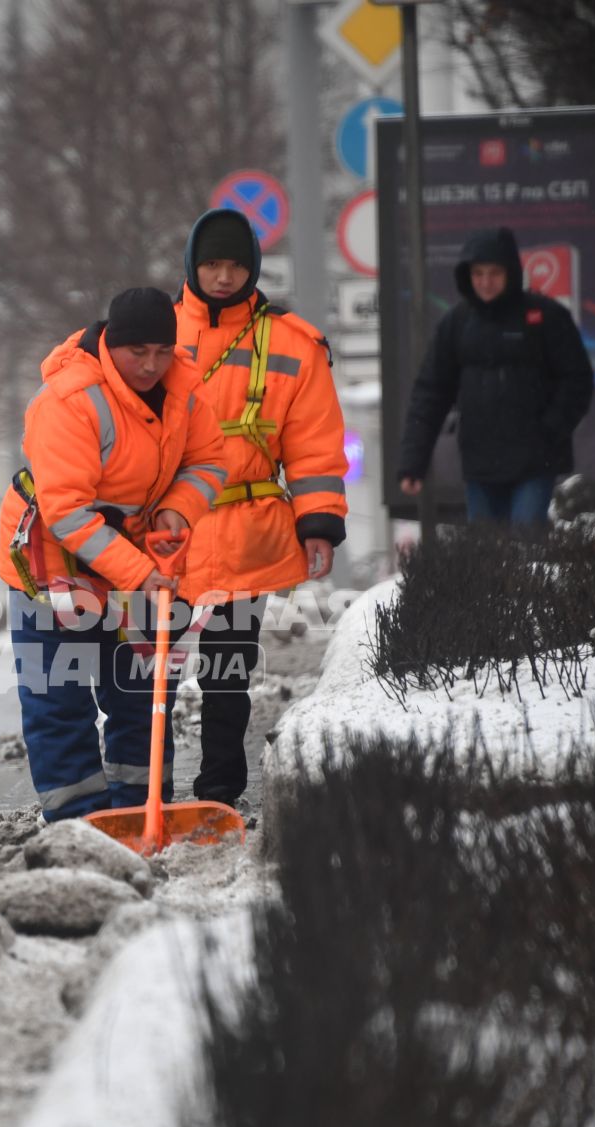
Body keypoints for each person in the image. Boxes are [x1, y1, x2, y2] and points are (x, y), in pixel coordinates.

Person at [0, 287, 227, 822]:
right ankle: (79, 823)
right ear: (111, 346)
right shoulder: (70, 400)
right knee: (58, 698)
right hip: (54, 565)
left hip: (137, 558)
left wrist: (178, 510)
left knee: (139, 695)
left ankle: (140, 814)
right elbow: (69, 513)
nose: (151, 366)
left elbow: (210, 461)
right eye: (137, 353)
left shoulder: (186, 390)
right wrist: (142, 575)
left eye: (162, 352)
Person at [174, 208, 348, 808]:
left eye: (236, 265)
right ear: (193, 266)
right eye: (212, 264)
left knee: (227, 669)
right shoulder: (156, 334)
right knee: (148, 669)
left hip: (247, 529)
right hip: (167, 531)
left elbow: (314, 442)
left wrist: (319, 519)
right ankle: (143, 786)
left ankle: (219, 788)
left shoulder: (292, 343)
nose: (223, 276)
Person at [397, 226, 595, 525]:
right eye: (478, 274)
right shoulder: (457, 323)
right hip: (480, 462)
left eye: (494, 273)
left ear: (510, 272)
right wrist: (413, 462)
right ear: (467, 276)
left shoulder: (545, 316)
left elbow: (577, 379)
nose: (486, 282)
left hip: (534, 460)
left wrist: (549, 430)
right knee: (488, 553)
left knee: (527, 542)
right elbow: (431, 393)